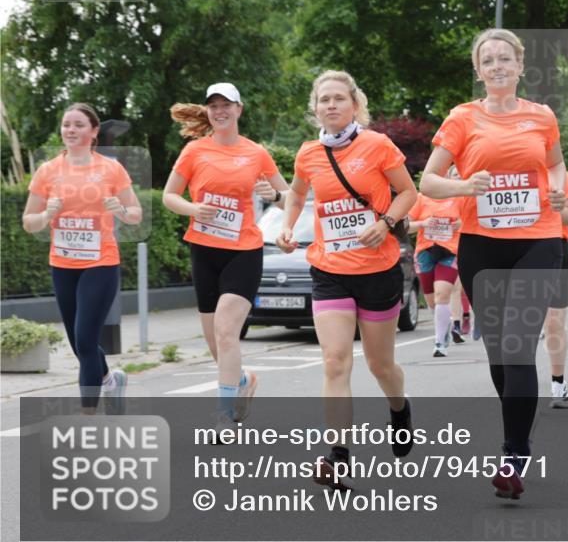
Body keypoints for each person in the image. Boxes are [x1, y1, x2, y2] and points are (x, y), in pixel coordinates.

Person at [420, 28, 567, 500]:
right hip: (481, 245)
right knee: (500, 353)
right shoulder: (462, 118)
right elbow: (428, 181)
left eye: (506, 58)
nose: (498, 66)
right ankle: (518, 430)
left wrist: (560, 190)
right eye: (489, 60)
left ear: (521, 66)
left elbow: (556, 165)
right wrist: (464, 187)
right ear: (478, 71)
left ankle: (514, 454)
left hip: (538, 240)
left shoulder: (542, 116)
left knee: (519, 347)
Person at [275, 70, 417, 489]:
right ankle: (337, 456)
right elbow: (297, 194)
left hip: (377, 270)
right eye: (324, 99)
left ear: (355, 105)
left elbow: (409, 192)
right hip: (329, 270)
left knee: (380, 365)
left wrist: (385, 222)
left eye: (339, 98)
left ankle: (399, 408)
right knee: (335, 360)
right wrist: (287, 227)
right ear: (315, 108)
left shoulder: (377, 145)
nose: (331, 105)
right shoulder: (308, 153)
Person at [164, 83, 289, 430]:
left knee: (225, 329)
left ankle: (224, 414)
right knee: (216, 340)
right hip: (204, 250)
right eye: (214, 106)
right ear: (208, 111)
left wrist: (273, 193)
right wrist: (193, 209)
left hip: (243, 252)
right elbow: (169, 196)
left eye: (226, 105)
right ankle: (243, 381)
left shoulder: (256, 153)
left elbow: (289, 198)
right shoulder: (194, 151)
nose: (220, 111)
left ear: (239, 109)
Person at [23, 103, 143, 413]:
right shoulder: (48, 170)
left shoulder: (111, 169)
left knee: (86, 339)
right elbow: (28, 222)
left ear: (93, 131)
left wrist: (121, 210)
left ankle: (87, 416)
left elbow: (136, 213)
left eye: (78, 125)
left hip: (100, 263)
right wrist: (46, 215)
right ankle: (110, 380)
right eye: (66, 125)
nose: (71, 130)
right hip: (62, 265)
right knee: (78, 343)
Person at [408, 181, 464, 357]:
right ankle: (444, 326)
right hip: (425, 252)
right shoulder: (420, 199)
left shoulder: (458, 198)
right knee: (432, 302)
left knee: (442, 294)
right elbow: (406, 227)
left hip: (450, 251)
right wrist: (423, 223)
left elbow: (473, 222)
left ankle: (439, 343)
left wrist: (460, 224)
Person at [543, 176, 568, 407]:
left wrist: (548, 206)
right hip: (514, 252)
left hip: (555, 250)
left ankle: (558, 383)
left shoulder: (557, 175)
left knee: (553, 322)